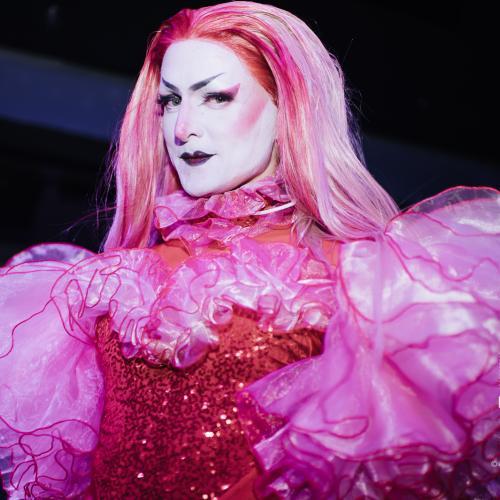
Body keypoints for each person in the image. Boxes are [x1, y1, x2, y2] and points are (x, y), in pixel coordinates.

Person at [1, 1, 498, 498]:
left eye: (216, 97)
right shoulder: (113, 280)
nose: (182, 129)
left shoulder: (364, 277)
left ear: (288, 108)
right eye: (170, 101)